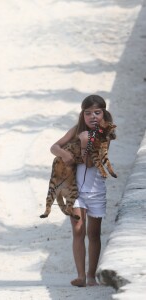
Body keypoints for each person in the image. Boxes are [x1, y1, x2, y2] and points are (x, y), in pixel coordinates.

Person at [49, 95, 115, 287]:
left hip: (95, 191)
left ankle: (92, 274)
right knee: (78, 231)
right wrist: (64, 153)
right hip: (75, 191)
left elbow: (89, 162)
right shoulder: (77, 130)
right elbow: (54, 146)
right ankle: (80, 275)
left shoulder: (105, 134)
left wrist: (85, 143)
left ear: (103, 113)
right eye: (88, 113)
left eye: (97, 112)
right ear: (82, 115)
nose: (92, 116)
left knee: (94, 233)